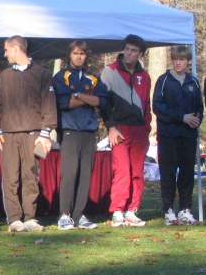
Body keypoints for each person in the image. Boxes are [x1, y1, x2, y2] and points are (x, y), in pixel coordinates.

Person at [0, 36, 57, 232]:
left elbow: (49, 105)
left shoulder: (42, 74)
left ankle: (30, 217)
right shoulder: (4, 76)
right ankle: (14, 219)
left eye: (6, 50)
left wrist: (45, 134)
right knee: (11, 176)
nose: (4, 54)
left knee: (31, 175)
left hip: (34, 134)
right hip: (9, 135)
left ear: (16, 49)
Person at [52, 40, 108, 230]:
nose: (78, 56)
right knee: (69, 173)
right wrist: (87, 99)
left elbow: (101, 101)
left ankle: (78, 214)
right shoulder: (62, 76)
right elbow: (64, 103)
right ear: (69, 54)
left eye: (82, 54)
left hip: (89, 131)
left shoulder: (94, 78)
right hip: (69, 131)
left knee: (85, 175)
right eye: (75, 53)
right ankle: (64, 215)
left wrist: (78, 96)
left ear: (86, 56)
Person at [101, 35, 151, 227]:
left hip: (139, 130)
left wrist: (147, 128)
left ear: (141, 54)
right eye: (127, 49)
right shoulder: (110, 71)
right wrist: (111, 127)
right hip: (119, 129)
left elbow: (147, 105)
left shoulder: (144, 76)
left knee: (137, 171)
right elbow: (103, 103)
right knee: (122, 170)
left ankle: (132, 210)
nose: (129, 53)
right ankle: (118, 211)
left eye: (134, 50)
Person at [153, 46, 202, 226]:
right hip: (168, 136)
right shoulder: (164, 80)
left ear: (188, 61)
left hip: (188, 137)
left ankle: (185, 210)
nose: (178, 62)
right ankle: (168, 210)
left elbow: (199, 108)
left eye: (182, 59)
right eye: (175, 59)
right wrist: (181, 118)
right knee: (168, 173)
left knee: (187, 173)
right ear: (172, 60)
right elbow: (158, 108)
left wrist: (195, 120)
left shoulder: (193, 83)